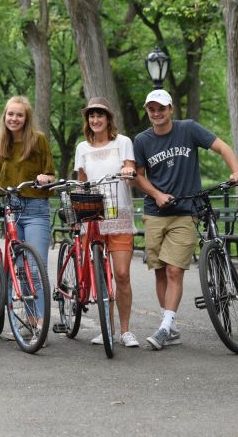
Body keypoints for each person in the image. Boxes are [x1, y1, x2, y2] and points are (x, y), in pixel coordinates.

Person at [133, 89, 238, 350]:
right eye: (152, 109)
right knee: (160, 271)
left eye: (161, 108)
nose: (157, 113)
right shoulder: (142, 140)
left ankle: (164, 328)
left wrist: (236, 171)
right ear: (147, 111)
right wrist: (157, 194)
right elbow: (138, 175)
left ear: (171, 109)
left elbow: (222, 146)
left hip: (186, 211)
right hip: (155, 212)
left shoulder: (188, 129)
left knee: (174, 270)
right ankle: (169, 325)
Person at [74, 97, 139, 348]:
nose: (95, 119)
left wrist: (128, 171)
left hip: (118, 214)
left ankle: (125, 330)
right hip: (93, 217)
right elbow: (81, 181)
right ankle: (107, 328)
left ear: (108, 118)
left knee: (121, 274)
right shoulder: (82, 148)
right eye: (91, 115)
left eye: (100, 115)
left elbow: (130, 166)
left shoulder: (123, 142)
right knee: (101, 277)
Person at [0, 96, 55, 333]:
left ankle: (42, 322)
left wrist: (44, 179)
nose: (14, 118)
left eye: (19, 115)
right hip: (12, 209)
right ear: (5, 116)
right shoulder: (3, 144)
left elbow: (51, 175)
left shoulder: (38, 140)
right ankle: (30, 321)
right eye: (11, 114)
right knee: (20, 268)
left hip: (35, 208)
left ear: (26, 117)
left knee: (35, 264)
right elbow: (1, 180)